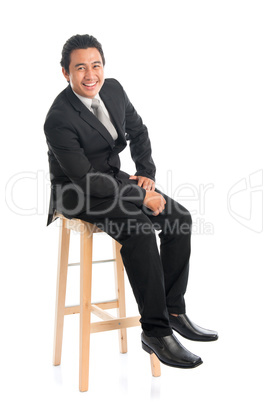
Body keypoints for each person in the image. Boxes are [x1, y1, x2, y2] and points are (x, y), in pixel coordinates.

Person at [44, 34, 218, 369]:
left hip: (113, 180)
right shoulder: (58, 118)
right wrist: (141, 196)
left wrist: (146, 174)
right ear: (66, 73)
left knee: (178, 218)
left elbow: (137, 131)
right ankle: (154, 331)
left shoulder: (113, 89)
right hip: (76, 192)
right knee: (138, 228)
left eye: (96, 65)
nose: (90, 74)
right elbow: (85, 180)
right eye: (80, 68)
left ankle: (173, 310)